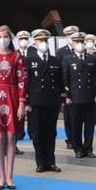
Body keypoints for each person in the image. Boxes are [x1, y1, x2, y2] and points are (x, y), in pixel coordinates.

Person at [0, 25, 27, 190]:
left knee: (10, 138)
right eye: (0, 37)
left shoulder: (17, 57)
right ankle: (1, 176)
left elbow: (22, 81)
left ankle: (10, 176)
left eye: (5, 37)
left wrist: (21, 104)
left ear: (10, 38)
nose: (3, 40)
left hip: (13, 99)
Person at [23, 28, 60, 174]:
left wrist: (61, 99)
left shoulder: (55, 60)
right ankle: (40, 162)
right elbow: (25, 82)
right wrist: (26, 102)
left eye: (45, 40)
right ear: (35, 43)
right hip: (36, 102)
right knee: (38, 134)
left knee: (51, 133)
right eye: (41, 41)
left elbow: (60, 82)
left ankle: (51, 162)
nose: (43, 43)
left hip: (52, 102)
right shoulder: (29, 61)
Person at [61, 31, 96, 159]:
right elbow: (65, 79)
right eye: (77, 42)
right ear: (72, 44)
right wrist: (66, 96)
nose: (80, 44)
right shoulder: (68, 59)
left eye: (81, 42)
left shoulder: (92, 58)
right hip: (74, 98)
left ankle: (88, 148)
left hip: (90, 96)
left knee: (89, 126)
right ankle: (78, 148)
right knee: (76, 125)